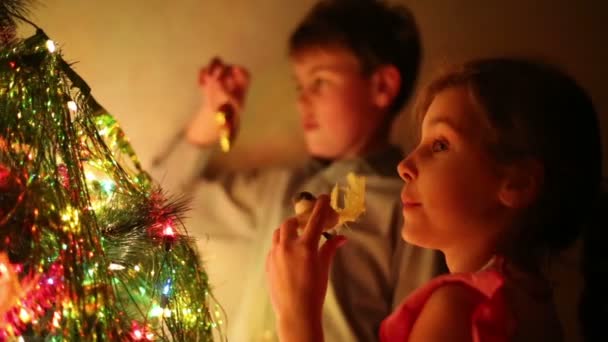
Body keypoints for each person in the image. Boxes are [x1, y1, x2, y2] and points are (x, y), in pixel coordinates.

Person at [151, 1, 443, 341]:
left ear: (381, 87)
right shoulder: (278, 190)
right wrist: (211, 119)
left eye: (320, 82)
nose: (302, 102)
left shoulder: (408, 203)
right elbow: (156, 204)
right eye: (299, 87)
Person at [266, 57, 605, 341]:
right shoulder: (532, 302)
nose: (404, 166)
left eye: (440, 145)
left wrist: (297, 316)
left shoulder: (457, 308)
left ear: (516, 182)